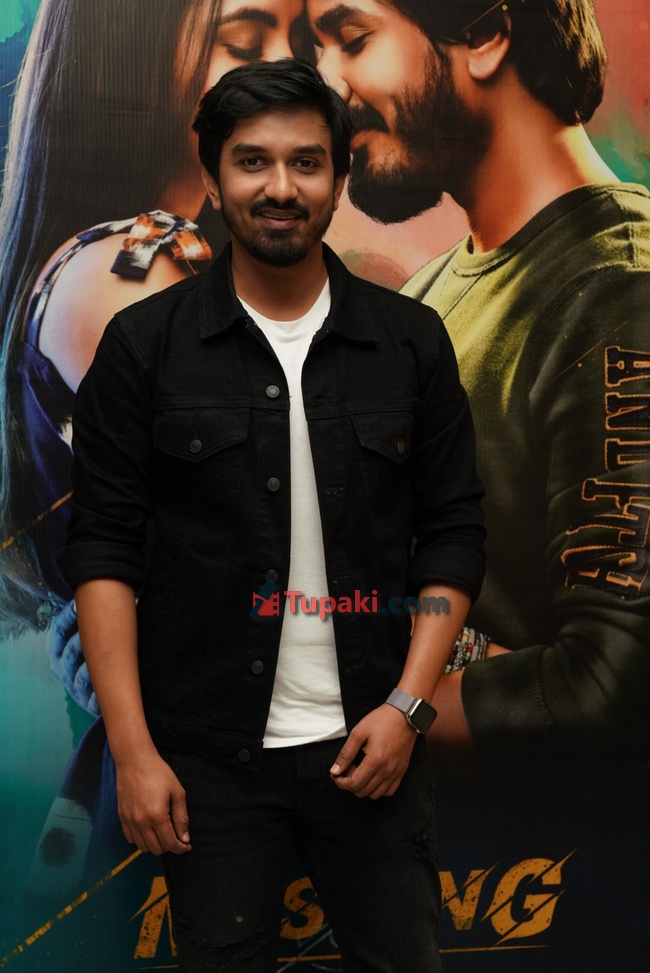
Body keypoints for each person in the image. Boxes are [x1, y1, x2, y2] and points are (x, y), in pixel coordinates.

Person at [59, 58, 485, 971]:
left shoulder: (409, 341)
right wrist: (135, 752)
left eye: (306, 162)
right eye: (253, 161)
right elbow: (102, 552)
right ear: (214, 180)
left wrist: (408, 707)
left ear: (339, 178)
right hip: (207, 766)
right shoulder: (143, 347)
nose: (281, 187)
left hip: (374, 748)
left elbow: (453, 532)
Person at [309, 0, 650, 768]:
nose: (327, 83)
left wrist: (368, 699)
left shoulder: (622, 293)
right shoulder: (425, 301)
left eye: (352, 39)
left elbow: (612, 687)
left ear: (487, 34)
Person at [0, 0, 309, 648]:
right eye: (244, 42)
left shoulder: (161, 256)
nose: (292, 72)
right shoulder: (123, 273)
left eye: (299, 40)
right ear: (128, 52)